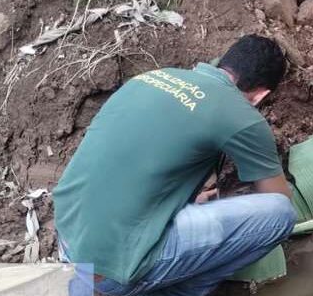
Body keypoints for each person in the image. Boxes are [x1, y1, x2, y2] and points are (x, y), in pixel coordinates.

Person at [53, 35, 296, 296]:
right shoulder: (240, 113)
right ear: (261, 95)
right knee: (281, 214)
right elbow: (278, 198)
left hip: (68, 242)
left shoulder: (152, 77)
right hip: (112, 271)